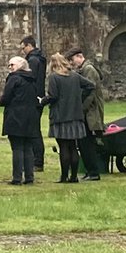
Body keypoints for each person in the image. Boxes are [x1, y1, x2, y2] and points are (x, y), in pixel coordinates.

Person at [46, 52, 94, 183]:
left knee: (64, 147)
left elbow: (53, 96)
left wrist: (42, 101)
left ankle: (64, 176)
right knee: (73, 146)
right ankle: (74, 177)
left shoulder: (54, 78)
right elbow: (90, 85)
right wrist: (79, 98)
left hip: (60, 116)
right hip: (75, 115)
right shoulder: (75, 76)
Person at [0, 55, 41, 185]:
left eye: (12, 65)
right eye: (9, 65)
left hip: (16, 116)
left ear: (20, 66)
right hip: (30, 117)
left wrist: (2, 102)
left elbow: (6, 97)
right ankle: (29, 177)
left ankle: (17, 177)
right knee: (27, 148)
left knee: (17, 148)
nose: (10, 67)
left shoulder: (14, 79)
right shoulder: (31, 80)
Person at [69, 48, 105, 180]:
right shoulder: (84, 69)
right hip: (88, 111)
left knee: (87, 143)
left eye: (72, 61)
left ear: (79, 57)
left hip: (90, 112)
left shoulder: (88, 69)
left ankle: (94, 172)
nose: (72, 64)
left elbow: (91, 92)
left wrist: (81, 109)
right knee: (84, 143)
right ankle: (90, 172)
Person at [21, 36, 47, 171]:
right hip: (39, 96)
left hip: (34, 99)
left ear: (29, 45)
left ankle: (37, 161)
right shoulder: (40, 58)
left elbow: (31, 79)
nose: (23, 51)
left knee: (34, 130)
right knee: (34, 129)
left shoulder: (33, 60)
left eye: (24, 47)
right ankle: (36, 160)